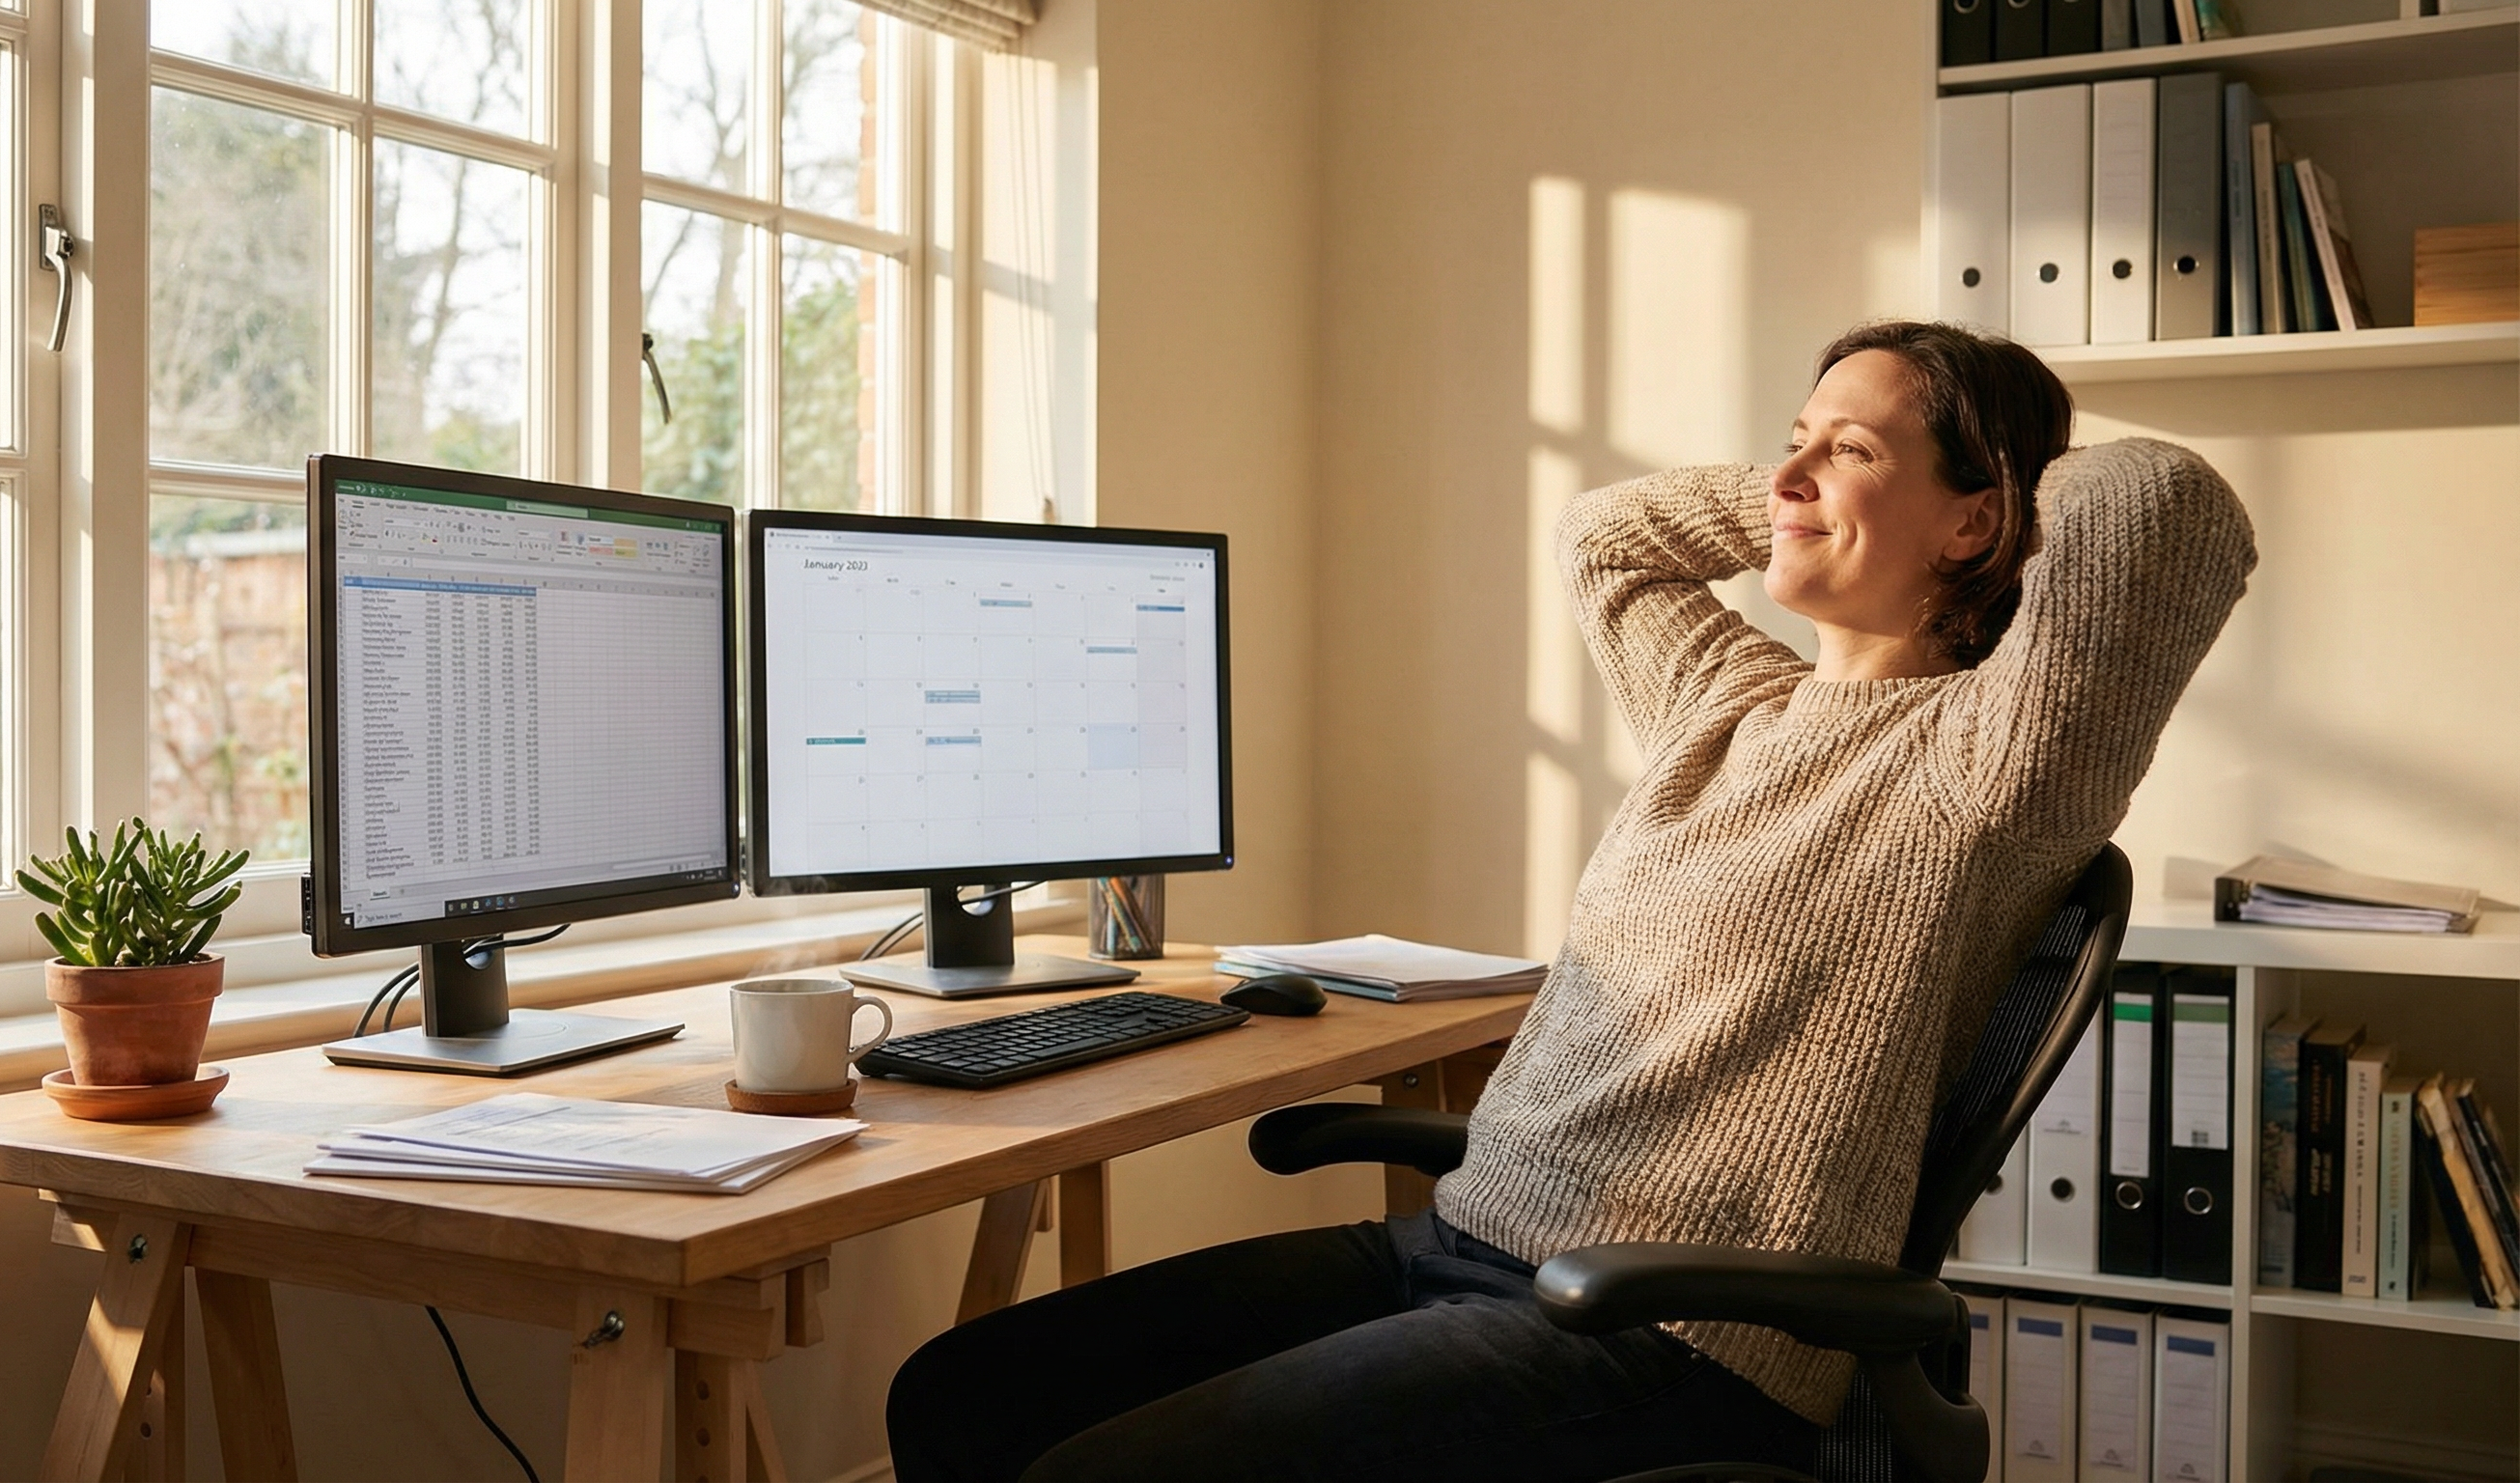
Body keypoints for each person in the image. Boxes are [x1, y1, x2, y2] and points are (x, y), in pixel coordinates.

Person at [884, 321, 2257, 1482]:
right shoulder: (1730, 702)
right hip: (1460, 1245)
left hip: (1664, 1327)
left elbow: (2165, 505)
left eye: (1848, 448)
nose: (1786, 473)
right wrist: (1807, 490)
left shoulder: (1992, 763)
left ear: (1978, 516)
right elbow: (1604, 537)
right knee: (959, 1395)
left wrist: (1997, 485)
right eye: (1792, 435)